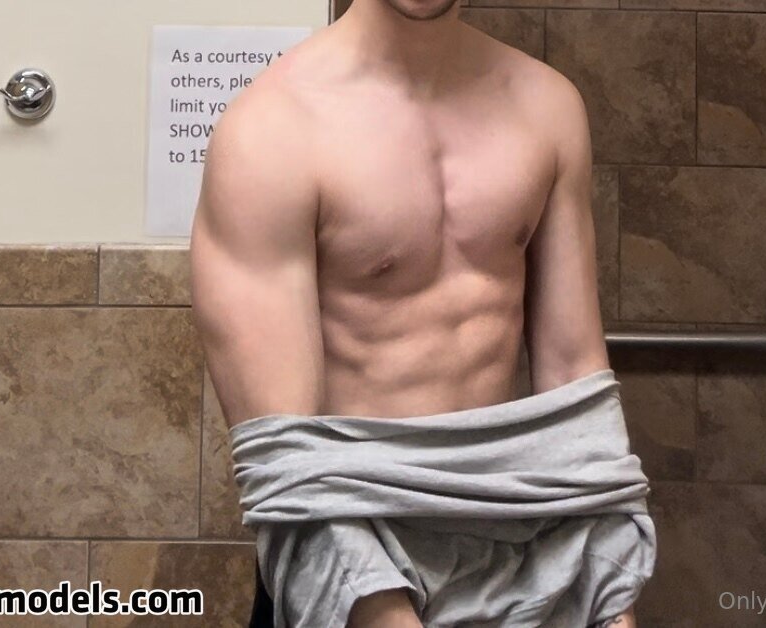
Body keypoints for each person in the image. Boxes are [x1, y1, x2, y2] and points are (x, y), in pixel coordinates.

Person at [189, 0, 652, 626]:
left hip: (514, 563)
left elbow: (575, 380)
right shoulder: (272, 129)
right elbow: (288, 454)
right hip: (345, 564)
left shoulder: (547, 108)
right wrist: (383, 613)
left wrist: (611, 594)